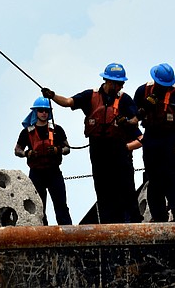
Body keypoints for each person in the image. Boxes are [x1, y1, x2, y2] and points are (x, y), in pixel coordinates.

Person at [42, 63, 143, 224]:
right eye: (118, 83)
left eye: (122, 83)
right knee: (103, 189)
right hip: (98, 148)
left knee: (126, 188)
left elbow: (136, 119)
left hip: (118, 149)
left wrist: (127, 124)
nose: (120, 86)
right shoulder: (90, 96)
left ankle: (133, 222)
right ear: (108, 81)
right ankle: (107, 224)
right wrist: (53, 96)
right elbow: (69, 102)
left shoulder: (124, 100)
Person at [134, 63, 175, 222]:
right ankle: (159, 217)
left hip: (172, 140)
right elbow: (132, 117)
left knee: (172, 178)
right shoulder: (143, 91)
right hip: (151, 138)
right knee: (154, 180)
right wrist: (144, 109)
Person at [14, 97, 72, 225]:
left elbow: (67, 148)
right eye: (41, 110)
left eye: (46, 110)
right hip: (36, 174)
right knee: (39, 208)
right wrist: (26, 153)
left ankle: (68, 233)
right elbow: (17, 150)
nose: (44, 113)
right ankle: (42, 234)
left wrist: (58, 150)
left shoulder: (57, 130)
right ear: (36, 112)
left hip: (54, 172)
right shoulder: (27, 132)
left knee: (61, 205)